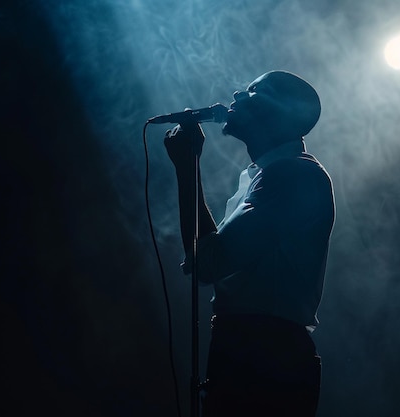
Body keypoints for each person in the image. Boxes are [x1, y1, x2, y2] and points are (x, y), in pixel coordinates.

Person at [164, 70, 335, 417]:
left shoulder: (292, 175)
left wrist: (187, 166)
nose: (238, 94)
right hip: (251, 351)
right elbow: (208, 258)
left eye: (256, 92)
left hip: (265, 358)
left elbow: (209, 262)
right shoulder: (262, 176)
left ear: (285, 113)